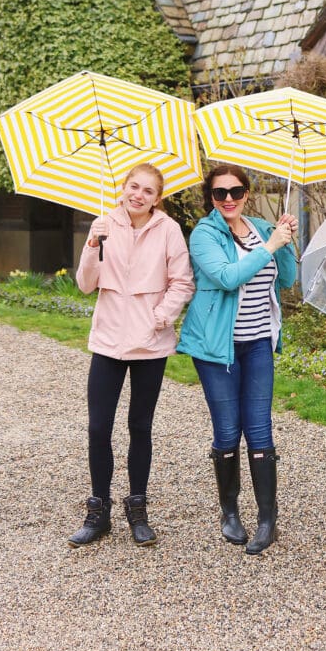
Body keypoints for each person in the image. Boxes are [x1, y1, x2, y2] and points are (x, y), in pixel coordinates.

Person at [68, 162, 195, 548]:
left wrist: (159, 318)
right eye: (133, 187)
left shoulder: (169, 230)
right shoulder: (104, 225)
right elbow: (85, 285)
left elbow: (182, 282)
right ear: (122, 188)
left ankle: (137, 508)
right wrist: (92, 243)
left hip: (149, 344)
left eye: (148, 191)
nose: (138, 195)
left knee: (140, 426)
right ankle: (98, 510)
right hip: (107, 342)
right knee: (98, 427)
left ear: (157, 198)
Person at [177, 163, 298, 555]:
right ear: (210, 198)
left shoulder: (264, 229)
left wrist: (287, 240)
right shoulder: (204, 235)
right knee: (228, 432)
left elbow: (287, 280)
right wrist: (271, 246)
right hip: (217, 349)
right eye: (219, 193)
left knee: (260, 431)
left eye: (235, 191)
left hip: (258, 343)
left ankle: (267, 521)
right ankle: (230, 514)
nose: (228, 199)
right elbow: (228, 277)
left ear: (247, 193)